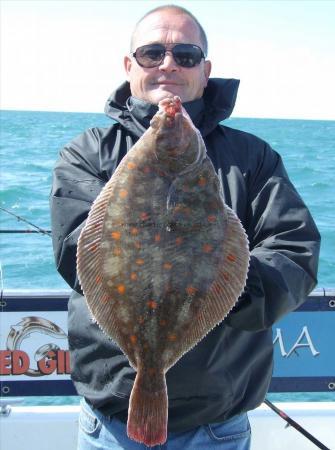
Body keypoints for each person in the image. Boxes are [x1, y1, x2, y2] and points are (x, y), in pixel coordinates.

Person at [50, 5, 320, 450]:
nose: (168, 64)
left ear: (206, 69)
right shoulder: (87, 154)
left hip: (219, 420)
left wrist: (220, 280)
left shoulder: (254, 158)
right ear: (129, 65)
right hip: (111, 417)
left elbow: (294, 253)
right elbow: (77, 251)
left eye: (186, 54)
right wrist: (185, 264)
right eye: (152, 52)